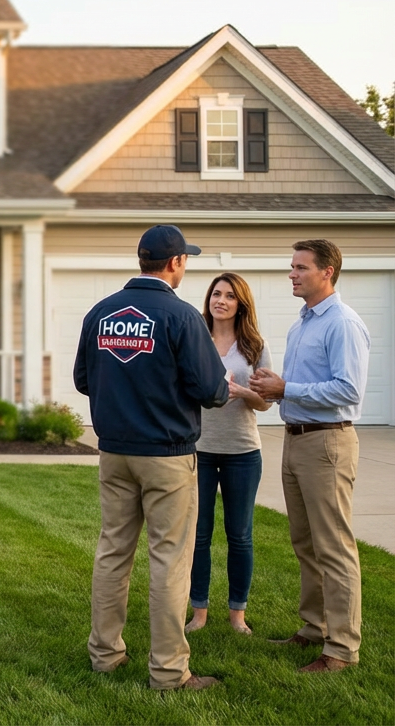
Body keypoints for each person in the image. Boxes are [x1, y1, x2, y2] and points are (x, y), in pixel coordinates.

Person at [73, 224, 228, 691]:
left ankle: (105, 654)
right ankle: (167, 672)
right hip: (166, 456)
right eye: (187, 260)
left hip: (115, 453)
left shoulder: (101, 313)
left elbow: (83, 379)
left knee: (112, 552)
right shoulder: (180, 316)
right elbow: (212, 389)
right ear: (176, 263)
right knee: (169, 560)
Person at [249, 239, 368, 673]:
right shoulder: (302, 324)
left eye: (301, 267)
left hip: (327, 444)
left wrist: (287, 389)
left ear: (327, 272)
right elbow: (305, 388)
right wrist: (275, 386)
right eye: (292, 266)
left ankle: (341, 649)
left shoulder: (343, 324)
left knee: (334, 547)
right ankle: (314, 628)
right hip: (297, 439)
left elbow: (348, 390)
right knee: (305, 542)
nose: (292, 274)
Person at [185, 273, 271, 636]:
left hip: (242, 450)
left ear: (241, 305)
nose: (220, 300)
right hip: (200, 450)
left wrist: (242, 394)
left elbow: (266, 402)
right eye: (216, 294)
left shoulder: (254, 346)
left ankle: (238, 614)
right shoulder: (194, 339)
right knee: (198, 535)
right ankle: (199, 612)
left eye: (230, 296)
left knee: (240, 535)